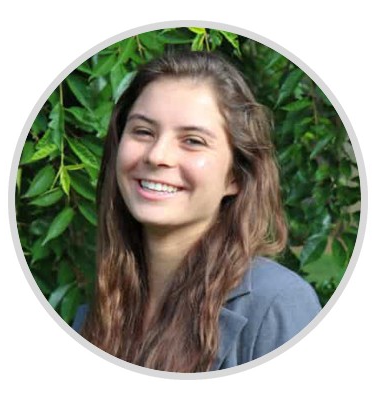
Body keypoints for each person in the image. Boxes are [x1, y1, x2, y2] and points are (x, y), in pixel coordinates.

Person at [72, 50, 321, 373]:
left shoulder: (277, 305)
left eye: (192, 140)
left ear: (235, 176)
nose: (157, 155)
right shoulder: (94, 313)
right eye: (143, 132)